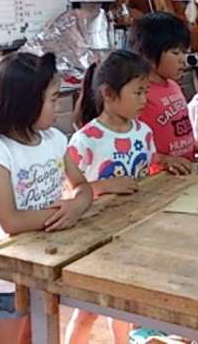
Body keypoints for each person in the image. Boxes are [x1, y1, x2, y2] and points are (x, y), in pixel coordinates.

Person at [0, 53, 93, 344]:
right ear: (25, 103)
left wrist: (76, 205)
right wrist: (66, 213)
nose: (57, 106)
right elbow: (11, 221)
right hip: (7, 276)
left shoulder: (54, 140)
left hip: (45, 264)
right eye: (52, 99)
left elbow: (83, 187)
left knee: (40, 337)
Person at [64, 50, 153, 343]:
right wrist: (103, 186)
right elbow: (70, 191)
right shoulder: (86, 139)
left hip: (135, 230)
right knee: (89, 309)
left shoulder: (143, 132)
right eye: (138, 92)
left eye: (146, 91)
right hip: (97, 237)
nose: (144, 100)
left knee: (124, 304)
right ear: (109, 94)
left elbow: (145, 173)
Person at [128, 12, 198, 174]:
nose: (182, 59)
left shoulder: (173, 86)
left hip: (186, 172)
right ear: (148, 55)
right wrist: (164, 160)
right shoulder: (139, 94)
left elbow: (179, 130)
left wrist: (197, 146)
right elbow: (128, 147)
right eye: (175, 53)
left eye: (184, 52)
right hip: (158, 179)